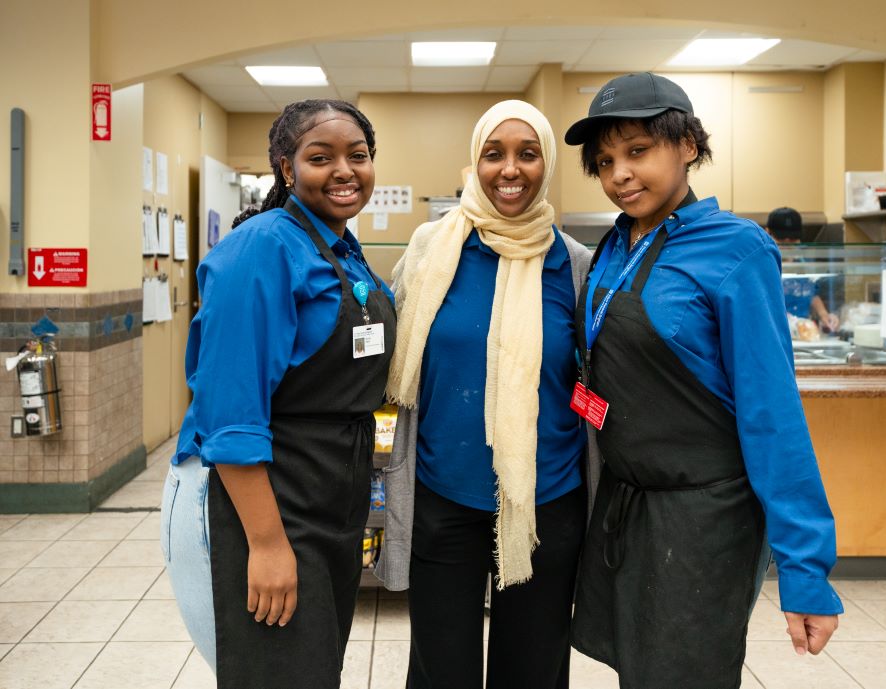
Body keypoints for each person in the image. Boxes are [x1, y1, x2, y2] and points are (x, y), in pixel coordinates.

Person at [563, 73, 843, 689]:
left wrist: (806, 571)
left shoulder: (737, 250)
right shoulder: (614, 245)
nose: (620, 175)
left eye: (638, 151)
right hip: (625, 505)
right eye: (605, 161)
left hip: (703, 519)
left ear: (688, 144)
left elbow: (772, 417)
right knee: (637, 670)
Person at [160, 99, 395, 689]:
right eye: (321, 157)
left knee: (313, 670)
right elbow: (230, 414)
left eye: (358, 156)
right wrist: (266, 545)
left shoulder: (340, 248)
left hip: (329, 494)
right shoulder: (262, 248)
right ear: (287, 169)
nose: (344, 170)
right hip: (268, 498)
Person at [377, 100, 599, 689]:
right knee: (440, 670)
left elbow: (591, 381)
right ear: (474, 162)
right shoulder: (430, 251)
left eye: (528, 154)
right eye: (494, 154)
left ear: (546, 164)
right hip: (443, 498)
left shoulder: (576, 267)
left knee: (531, 670)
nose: (510, 169)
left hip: (544, 502)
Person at [766, 206, 840, 333]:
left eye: (793, 240)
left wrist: (824, 315)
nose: (787, 245)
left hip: (802, 333)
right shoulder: (762, 266)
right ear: (767, 233)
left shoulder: (804, 263)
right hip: (773, 334)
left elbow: (811, 293)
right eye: (781, 240)